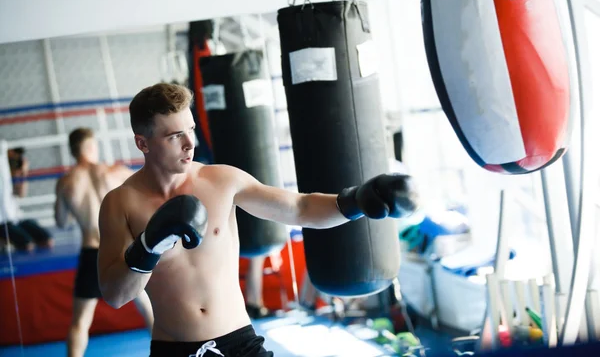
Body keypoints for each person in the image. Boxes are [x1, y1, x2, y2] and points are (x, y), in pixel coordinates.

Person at [97, 83, 418, 357]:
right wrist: (149, 245)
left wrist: (356, 201)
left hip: (240, 342)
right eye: (174, 136)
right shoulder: (120, 203)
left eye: (191, 130)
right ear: (143, 143)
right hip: (174, 349)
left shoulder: (220, 181)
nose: (190, 144)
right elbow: (115, 294)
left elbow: (300, 208)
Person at [55, 128, 154, 357]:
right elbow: (150, 190)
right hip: (122, 250)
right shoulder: (114, 172)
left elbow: (61, 222)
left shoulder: (66, 182)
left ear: (73, 151)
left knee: (80, 322)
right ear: (91, 147)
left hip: (91, 253)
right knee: (147, 307)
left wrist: (75, 206)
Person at [0, 147, 54, 252]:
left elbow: (21, 193)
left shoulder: (11, 176)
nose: (16, 161)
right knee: (28, 245)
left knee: (47, 240)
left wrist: (23, 172)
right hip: (2, 222)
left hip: (17, 219)